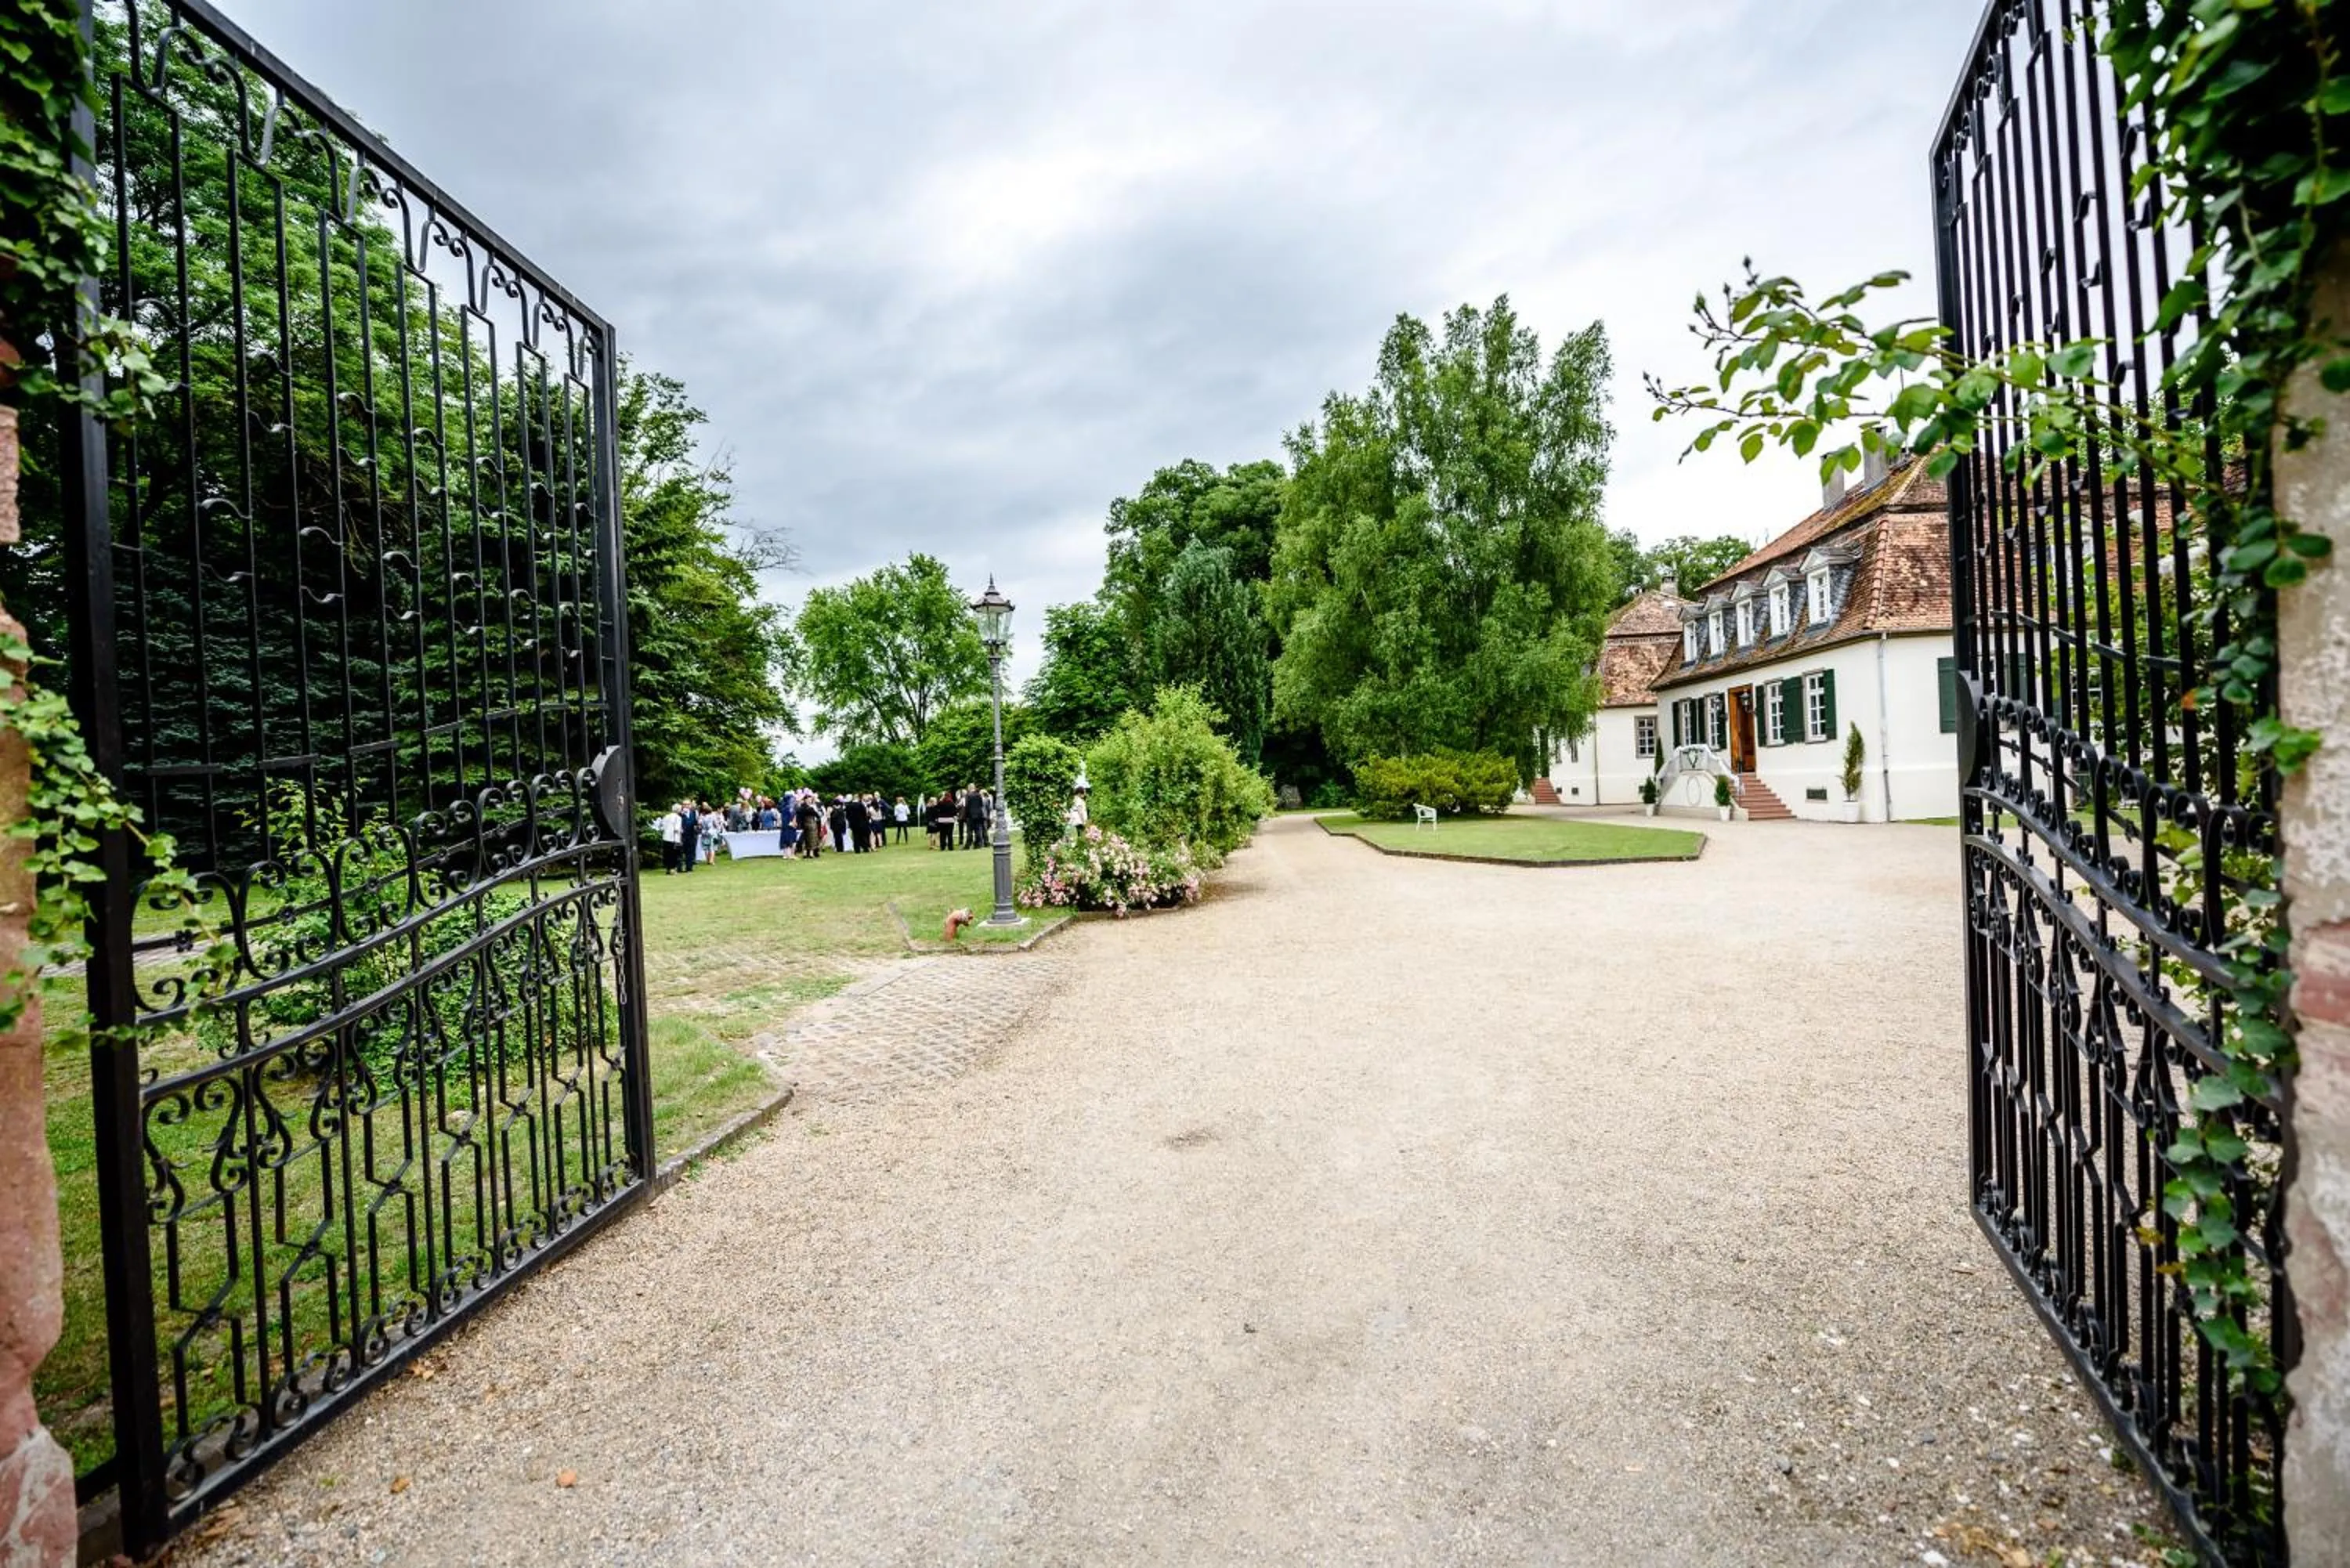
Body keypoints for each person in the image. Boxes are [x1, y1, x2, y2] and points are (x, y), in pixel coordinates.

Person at [656, 801, 683, 874]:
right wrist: (681, 832)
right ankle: (672, 869)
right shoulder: (678, 818)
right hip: (674, 839)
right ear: (678, 810)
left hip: (666, 838)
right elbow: (677, 829)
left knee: (667, 854)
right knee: (674, 855)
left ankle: (668, 869)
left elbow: (662, 827)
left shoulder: (667, 816)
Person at [795, 792, 822, 858]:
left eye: (810, 799)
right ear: (806, 800)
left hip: (805, 824)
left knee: (806, 839)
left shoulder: (802, 807)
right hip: (811, 823)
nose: (810, 800)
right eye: (808, 799)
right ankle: (810, 853)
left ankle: (806, 853)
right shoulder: (809, 808)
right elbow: (817, 815)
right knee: (811, 838)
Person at [961, 782, 986, 849]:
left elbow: (967, 806)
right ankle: (978, 844)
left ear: (969, 788)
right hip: (979, 815)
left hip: (970, 815)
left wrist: (966, 815)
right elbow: (981, 804)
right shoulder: (979, 795)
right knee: (978, 830)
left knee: (969, 831)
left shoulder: (968, 795)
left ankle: (968, 844)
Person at [678, 800, 700, 874]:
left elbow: (696, 823)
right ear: (682, 806)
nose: (686, 806)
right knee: (680, 853)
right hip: (682, 836)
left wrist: (697, 827)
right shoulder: (680, 814)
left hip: (691, 835)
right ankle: (679, 868)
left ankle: (689, 868)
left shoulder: (693, 813)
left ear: (690, 805)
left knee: (690, 853)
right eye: (685, 805)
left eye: (688, 804)